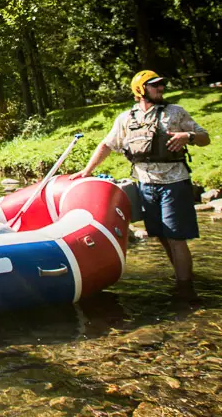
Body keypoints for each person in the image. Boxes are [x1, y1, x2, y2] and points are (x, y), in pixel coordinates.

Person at [74, 70, 210, 289]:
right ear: (140, 89)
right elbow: (107, 145)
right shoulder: (126, 119)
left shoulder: (175, 113)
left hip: (174, 183)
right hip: (146, 185)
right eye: (155, 85)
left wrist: (189, 137)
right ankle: (181, 277)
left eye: (161, 84)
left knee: (176, 238)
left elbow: (205, 138)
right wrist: (87, 171)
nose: (161, 88)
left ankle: (185, 290)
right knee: (162, 237)